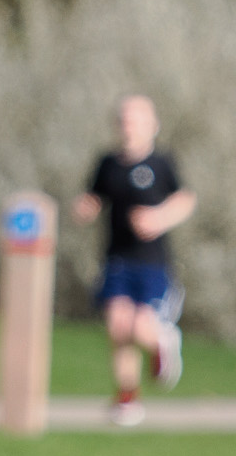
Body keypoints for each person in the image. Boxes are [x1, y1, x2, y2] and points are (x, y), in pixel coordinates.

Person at [72, 95, 196, 424]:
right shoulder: (108, 163)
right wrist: (86, 207)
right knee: (117, 326)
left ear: (152, 126)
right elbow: (94, 196)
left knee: (141, 327)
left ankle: (162, 341)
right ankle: (127, 398)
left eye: (136, 120)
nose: (129, 127)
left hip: (153, 263)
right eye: (124, 120)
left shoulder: (162, 163)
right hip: (116, 259)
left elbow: (184, 200)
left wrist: (159, 218)